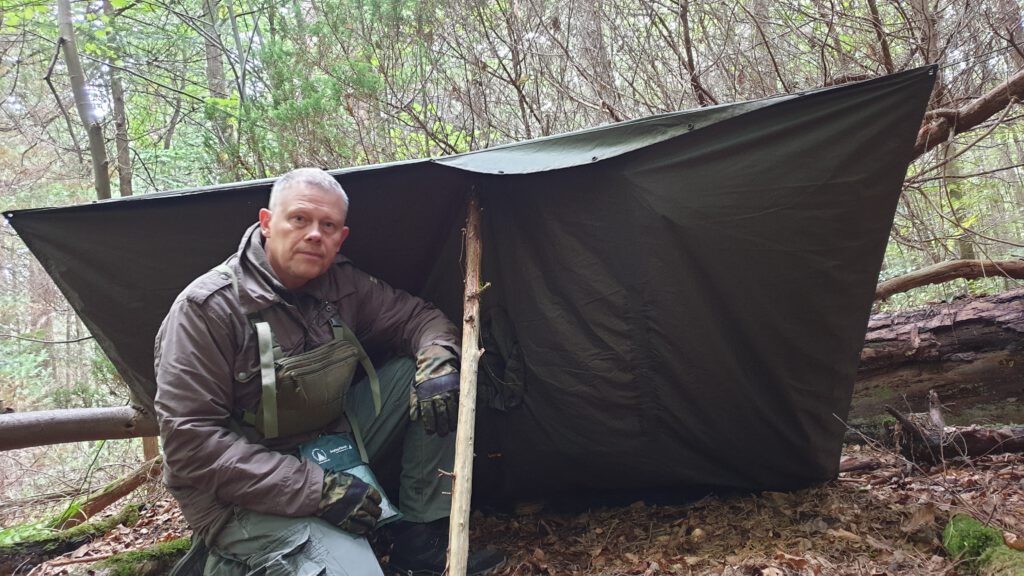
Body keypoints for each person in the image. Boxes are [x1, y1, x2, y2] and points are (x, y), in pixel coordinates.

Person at [154, 167, 505, 575]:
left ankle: (419, 543)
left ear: (341, 237)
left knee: (438, 377)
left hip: (326, 447)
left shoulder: (343, 284)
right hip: (236, 495)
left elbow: (419, 320)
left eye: (328, 225)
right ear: (267, 224)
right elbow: (189, 444)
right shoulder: (207, 309)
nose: (314, 235)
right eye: (299, 219)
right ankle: (231, 561)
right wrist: (316, 491)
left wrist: (438, 361)